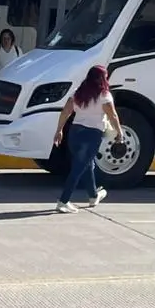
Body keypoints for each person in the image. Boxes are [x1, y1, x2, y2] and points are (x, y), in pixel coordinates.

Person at [52, 66, 121, 213]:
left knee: (87, 164)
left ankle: (93, 196)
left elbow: (66, 111)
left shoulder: (78, 91)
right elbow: (113, 116)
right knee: (78, 168)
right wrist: (119, 132)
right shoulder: (104, 95)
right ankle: (63, 201)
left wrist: (59, 130)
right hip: (92, 135)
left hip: (75, 133)